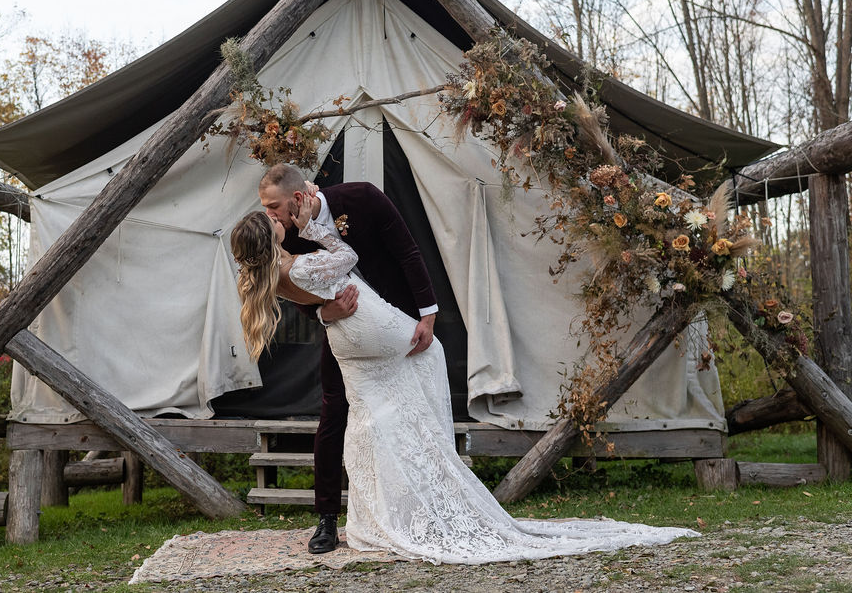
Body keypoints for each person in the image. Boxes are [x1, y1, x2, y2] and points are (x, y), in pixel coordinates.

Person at [231, 196, 699, 564]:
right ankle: (433, 479)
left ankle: (375, 519)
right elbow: (347, 255)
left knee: (369, 421)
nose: (282, 225)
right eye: (275, 224)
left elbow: (308, 297)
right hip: (365, 326)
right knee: (430, 354)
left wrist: (324, 311)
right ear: (271, 240)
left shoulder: (267, 276)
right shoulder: (301, 262)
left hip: (344, 340)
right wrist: (316, 230)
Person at [257, 164, 438, 554]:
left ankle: (422, 505)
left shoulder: (362, 198)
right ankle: (326, 520)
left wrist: (428, 313)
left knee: (413, 403)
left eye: (274, 206)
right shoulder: (285, 239)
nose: (270, 215)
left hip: (399, 319)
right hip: (347, 333)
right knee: (333, 414)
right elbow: (295, 288)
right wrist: (324, 315)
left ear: (299, 199)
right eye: (265, 208)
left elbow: (407, 252)